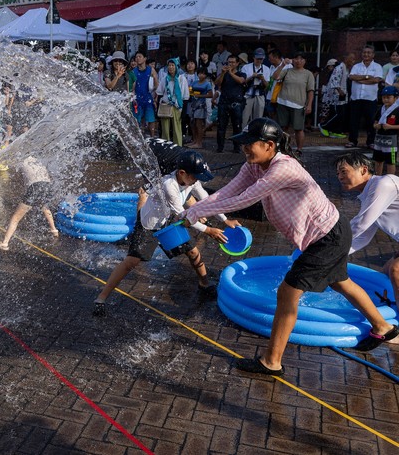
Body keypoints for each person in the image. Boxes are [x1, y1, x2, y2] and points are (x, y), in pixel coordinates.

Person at [184, 118, 398, 376]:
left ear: (270, 145)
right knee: (340, 282)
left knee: (287, 293)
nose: (244, 149)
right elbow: (229, 191)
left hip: (327, 237)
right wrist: (195, 210)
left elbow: (245, 198)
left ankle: (271, 361)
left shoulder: (283, 168)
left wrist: (196, 213)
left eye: (249, 144)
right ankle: (383, 326)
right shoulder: (254, 166)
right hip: (329, 234)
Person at [93, 150, 237, 317]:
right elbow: (184, 216)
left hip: (168, 221)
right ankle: (101, 298)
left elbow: (206, 200)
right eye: (195, 177)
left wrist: (224, 220)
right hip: (149, 224)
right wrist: (209, 230)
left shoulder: (191, 180)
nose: (197, 181)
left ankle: (204, 284)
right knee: (131, 262)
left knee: (192, 251)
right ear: (182, 173)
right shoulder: (169, 186)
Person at [336, 152, 399, 313]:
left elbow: (361, 223)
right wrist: (336, 254)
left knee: (396, 271)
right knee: (385, 273)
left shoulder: (384, 184)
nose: (339, 177)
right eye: (338, 173)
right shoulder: (369, 195)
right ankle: (390, 311)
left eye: (344, 171)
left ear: (364, 170)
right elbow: (363, 236)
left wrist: (330, 246)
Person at [0, 156, 58, 251]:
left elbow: (21, 181)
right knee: (44, 206)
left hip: (35, 187)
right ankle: (54, 230)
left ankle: (4, 243)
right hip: (48, 186)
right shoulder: (37, 159)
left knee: (16, 217)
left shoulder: (20, 158)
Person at [274, 52, 315, 155]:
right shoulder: (287, 71)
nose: (298, 61)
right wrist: (282, 64)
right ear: (292, 60)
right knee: (282, 127)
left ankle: (299, 149)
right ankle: (283, 148)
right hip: (283, 102)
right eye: (296, 58)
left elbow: (310, 91)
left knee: (298, 128)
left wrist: (309, 104)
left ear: (305, 61)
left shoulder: (308, 74)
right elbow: (275, 77)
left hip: (299, 105)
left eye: (301, 59)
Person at [348, 45, 384, 148]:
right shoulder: (356, 66)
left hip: (370, 98)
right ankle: (352, 141)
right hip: (356, 98)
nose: (366, 54)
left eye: (369, 52)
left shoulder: (377, 67)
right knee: (354, 121)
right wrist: (367, 77)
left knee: (370, 121)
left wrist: (359, 80)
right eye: (364, 52)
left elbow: (376, 80)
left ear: (373, 55)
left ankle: (371, 142)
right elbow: (351, 77)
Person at [214, 54, 247, 153]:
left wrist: (231, 73)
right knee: (221, 126)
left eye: (233, 62)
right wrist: (223, 73)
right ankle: (220, 147)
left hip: (236, 103)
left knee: (237, 126)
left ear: (237, 63)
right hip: (224, 102)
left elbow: (241, 81)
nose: (230, 64)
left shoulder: (241, 74)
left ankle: (237, 147)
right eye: (229, 62)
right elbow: (217, 83)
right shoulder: (224, 73)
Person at [320, 53, 355, 138]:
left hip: (342, 94)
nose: (353, 61)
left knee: (341, 114)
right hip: (337, 95)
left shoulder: (346, 69)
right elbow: (334, 80)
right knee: (338, 114)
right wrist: (339, 90)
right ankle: (324, 126)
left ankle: (334, 131)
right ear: (346, 59)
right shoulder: (339, 68)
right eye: (352, 59)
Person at [156, 58, 188, 146]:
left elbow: (185, 96)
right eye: (169, 65)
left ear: (177, 66)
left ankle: (178, 147)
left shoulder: (182, 79)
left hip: (177, 106)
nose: (170, 67)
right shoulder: (164, 78)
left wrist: (184, 111)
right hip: (166, 104)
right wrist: (158, 107)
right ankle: (165, 147)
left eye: (173, 65)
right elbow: (159, 93)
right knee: (165, 128)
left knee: (177, 128)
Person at [372, 85, 398, 175]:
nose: (386, 99)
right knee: (378, 160)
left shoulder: (397, 110)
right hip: (379, 138)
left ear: (395, 98)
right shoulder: (381, 109)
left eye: (388, 97)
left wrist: (390, 127)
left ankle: (391, 179)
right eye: (384, 97)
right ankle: (377, 178)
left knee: (391, 162)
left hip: (392, 140)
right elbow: (375, 122)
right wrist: (376, 126)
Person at [241, 48, 271, 125]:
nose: (259, 61)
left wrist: (263, 79)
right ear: (253, 57)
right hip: (248, 93)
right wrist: (252, 76)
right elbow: (242, 82)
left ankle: (256, 134)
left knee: (258, 117)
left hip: (259, 94)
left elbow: (268, 86)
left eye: (261, 59)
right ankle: (242, 133)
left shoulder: (266, 69)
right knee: (245, 116)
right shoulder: (246, 67)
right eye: (257, 58)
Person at [131, 52, 158, 137]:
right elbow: (132, 88)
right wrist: (133, 98)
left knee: (151, 119)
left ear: (145, 58)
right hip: (137, 99)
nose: (137, 58)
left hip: (148, 98)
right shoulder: (133, 71)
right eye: (136, 57)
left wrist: (155, 98)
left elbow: (157, 84)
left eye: (140, 56)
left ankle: (153, 137)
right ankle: (139, 138)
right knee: (137, 121)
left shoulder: (151, 70)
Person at [188, 66, 214, 149]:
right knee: (192, 124)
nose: (200, 75)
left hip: (201, 105)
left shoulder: (207, 83)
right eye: (199, 73)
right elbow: (190, 91)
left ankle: (199, 142)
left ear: (206, 75)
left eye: (202, 73)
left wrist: (200, 95)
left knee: (199, 124)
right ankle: (195, 141)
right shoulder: (194, 82)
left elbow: (210, 95)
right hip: (193, 105)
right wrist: (193, 93)